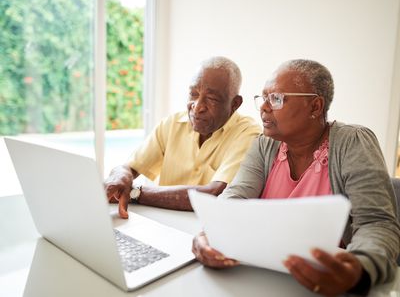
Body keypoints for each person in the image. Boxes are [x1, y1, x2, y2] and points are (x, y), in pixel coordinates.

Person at [192, 59, 400, 296]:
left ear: (315, 106)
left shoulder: (353, 143)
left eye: (277, 98)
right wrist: (209, 235)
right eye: (263, 98)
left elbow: (377, 223)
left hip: (324, 284)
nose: (264, 107)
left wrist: (359, 269)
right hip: (263, 278)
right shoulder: (264, 145)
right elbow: (235, 196)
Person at [104, 56, 261, 219]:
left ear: (235, 104)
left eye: (212, 99)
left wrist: (136, 193)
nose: (198, 106)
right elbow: (130, 167)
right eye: (193, 94)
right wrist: (121, 176)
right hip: (161, 222)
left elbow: (215, 193)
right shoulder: (172, 124)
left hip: (206, 232)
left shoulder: (249, 134)